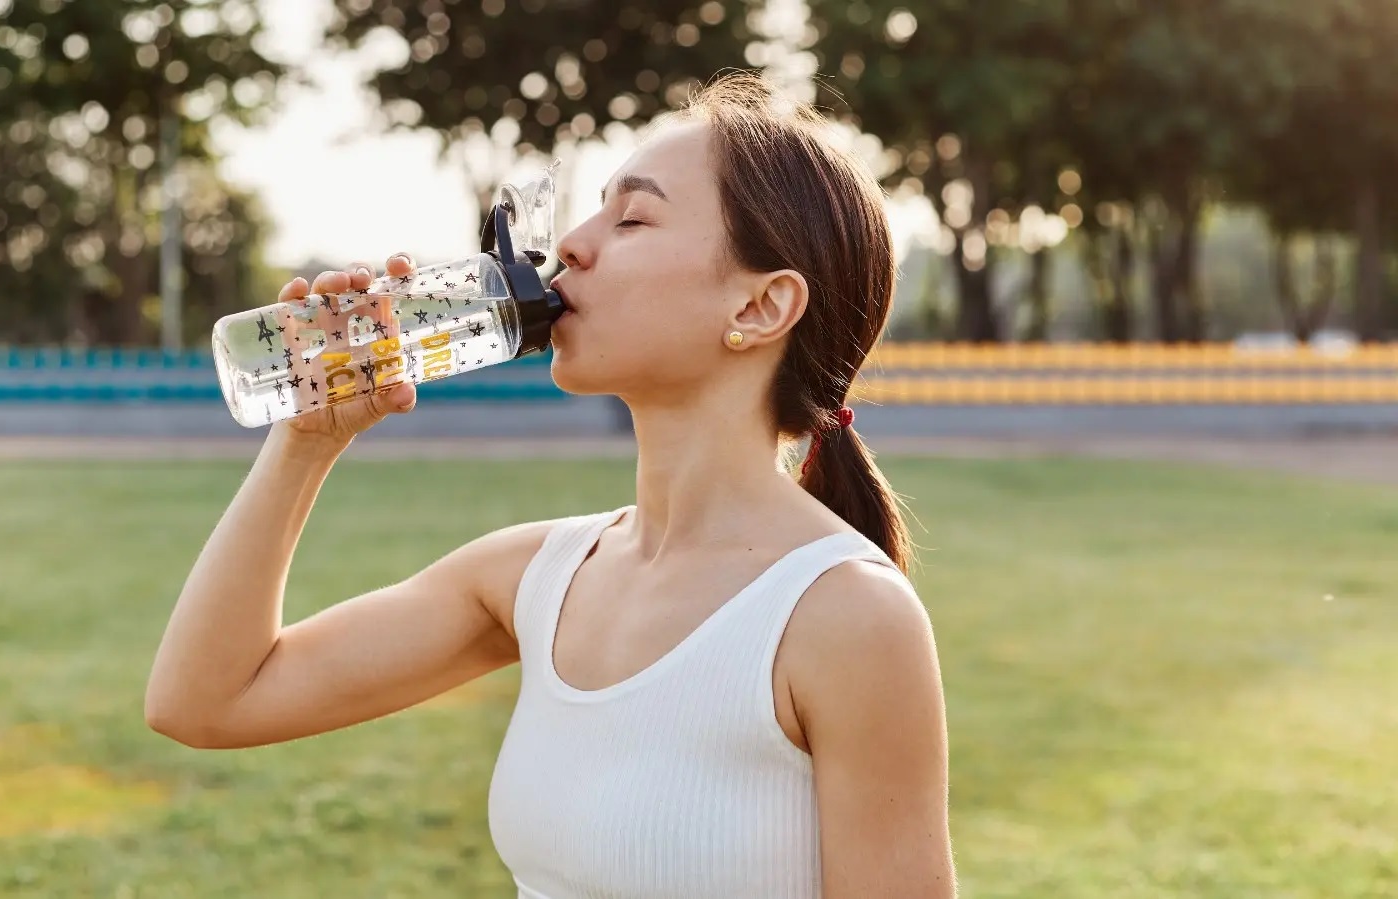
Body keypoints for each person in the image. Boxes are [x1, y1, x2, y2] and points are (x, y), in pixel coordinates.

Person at [146, 71, 956, 898]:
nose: (570, 242)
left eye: (632, 217)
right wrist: (305, 444)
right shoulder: (536, 576)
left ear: (758, 307)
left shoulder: (848, 617)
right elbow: (207, 700)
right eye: (594, 208)